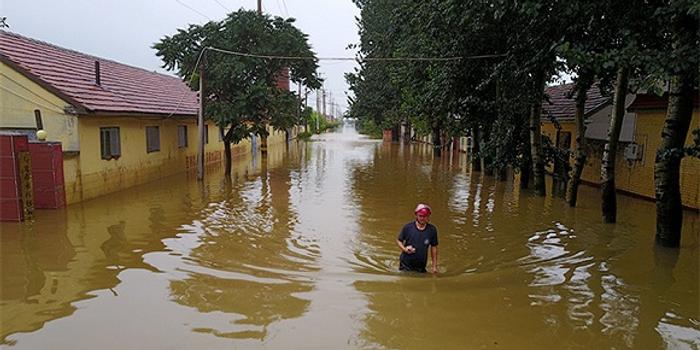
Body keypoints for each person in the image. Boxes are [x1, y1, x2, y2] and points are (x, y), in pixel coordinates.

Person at [396, 203, 439, 273]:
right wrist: (405, 249)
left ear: (428, 216)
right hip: (405, 265)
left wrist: (434, 266)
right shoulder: (408, 227)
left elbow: (434, 248)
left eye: (425, 216)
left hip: (421, 266)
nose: (422, 218)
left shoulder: (432, 230)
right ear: (416, 215)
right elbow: (399, 240)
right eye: (420, 216)